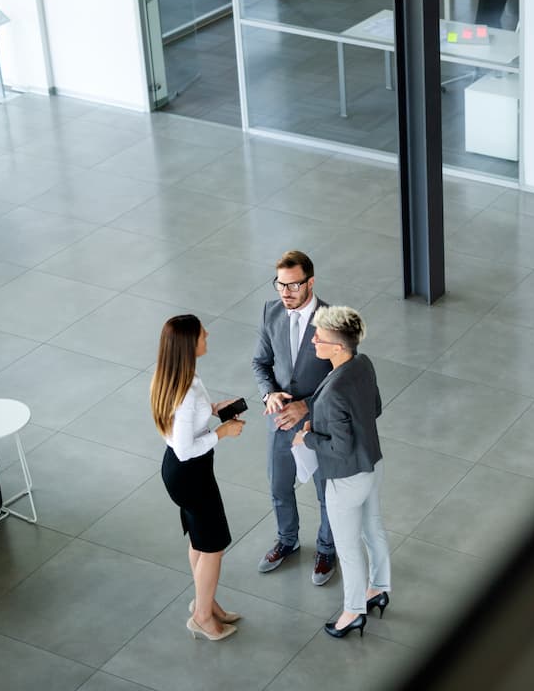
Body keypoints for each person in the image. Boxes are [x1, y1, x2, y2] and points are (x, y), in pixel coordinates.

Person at [290, 305, 391, 639]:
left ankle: (353, 612)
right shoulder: (363, 364)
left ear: (337, 347)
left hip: (346, 478)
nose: (313, 341)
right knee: (373, 529)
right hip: (372, 463)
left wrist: (308, 437)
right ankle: (378, 589)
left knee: (347, 549)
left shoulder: (333, 391)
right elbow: (374, 408)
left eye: (319, 337)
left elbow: (340, 448)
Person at [151, 314, 246, 642]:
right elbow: (184, 450)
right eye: (202, 333)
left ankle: (205, 602)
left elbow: (186, 423)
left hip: (185, 473)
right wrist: (222, 433)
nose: (208, 334)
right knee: (214, 546)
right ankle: (202, 617)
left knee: (199, 539)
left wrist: (216, 409)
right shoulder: (186, 393)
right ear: (190, 345)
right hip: (190, 473)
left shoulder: (177, 377)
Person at [252, 250, 337, 584]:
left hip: (320, 424)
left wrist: (308, 406)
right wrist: (269, 394)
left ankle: (327, 549)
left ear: (310, 282)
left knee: (326, 492)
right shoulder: (271, 312)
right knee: (279, 486)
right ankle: (287, 541)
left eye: (293, 285)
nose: (285, 292)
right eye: (280, 284)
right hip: (281, 421)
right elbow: (260, 363)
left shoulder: (333, 320)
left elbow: (344, 381)